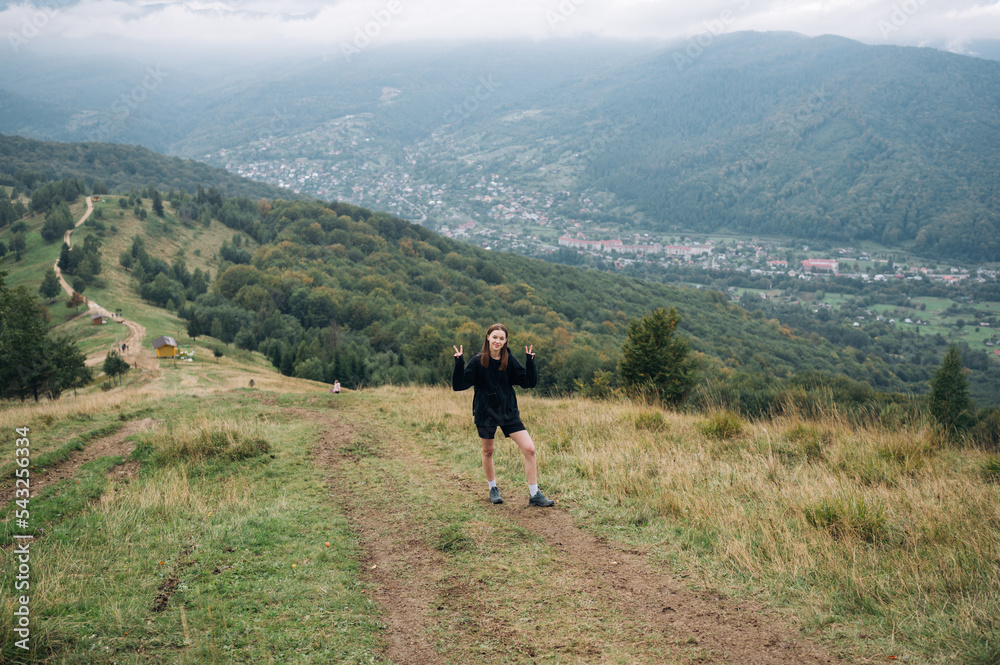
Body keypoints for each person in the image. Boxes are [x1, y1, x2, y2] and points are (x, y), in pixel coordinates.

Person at [452, 323, 554, 507]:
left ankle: (534, 494)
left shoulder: (509, 360)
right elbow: (459, 385)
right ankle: (493, 489)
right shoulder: (477, 361)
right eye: (495, 337)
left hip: (508, 412)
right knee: (488, 451)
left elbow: (528, 382)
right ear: (488, 338)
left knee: (529, 449)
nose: (498, 341)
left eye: (501, 338)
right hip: (485, 412)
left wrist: (530, 362)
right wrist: (459, 363)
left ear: (506, 341)